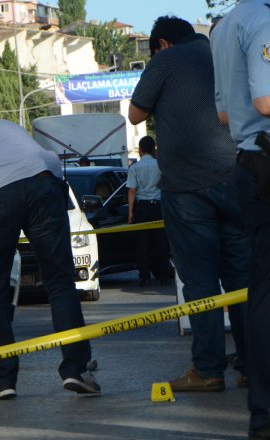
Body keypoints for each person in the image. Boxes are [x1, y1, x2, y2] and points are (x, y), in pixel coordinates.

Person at [128, 15, 250, 394]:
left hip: (187, 188)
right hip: (238, 177)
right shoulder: (222, 51)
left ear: (162, 43)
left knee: (200, 281)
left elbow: (135, 114)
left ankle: (208, 369)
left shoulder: (164, 60)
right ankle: (253, 365)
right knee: (242, 278)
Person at [0, 119, 99, 400]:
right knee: (60, 283)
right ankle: (77, 370)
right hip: (45, 185)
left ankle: (1, 381)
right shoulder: (4, 125)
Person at [210, 4, 270, 438]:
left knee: (262, 293)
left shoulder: (224, 25)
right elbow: (265, 100)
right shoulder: (264, 21)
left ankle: (263, 414)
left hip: (250, 164)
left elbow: (225, 114)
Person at [126, 136, 171, 287]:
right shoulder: (161, 165)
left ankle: (144, 277)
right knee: (161, 243)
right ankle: (164, 276)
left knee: (142, 244)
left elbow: (132, 190)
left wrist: (130, 212)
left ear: (140, 149)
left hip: (142, 207)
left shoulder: (134, 168)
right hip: (158, 206)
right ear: (153, 149)